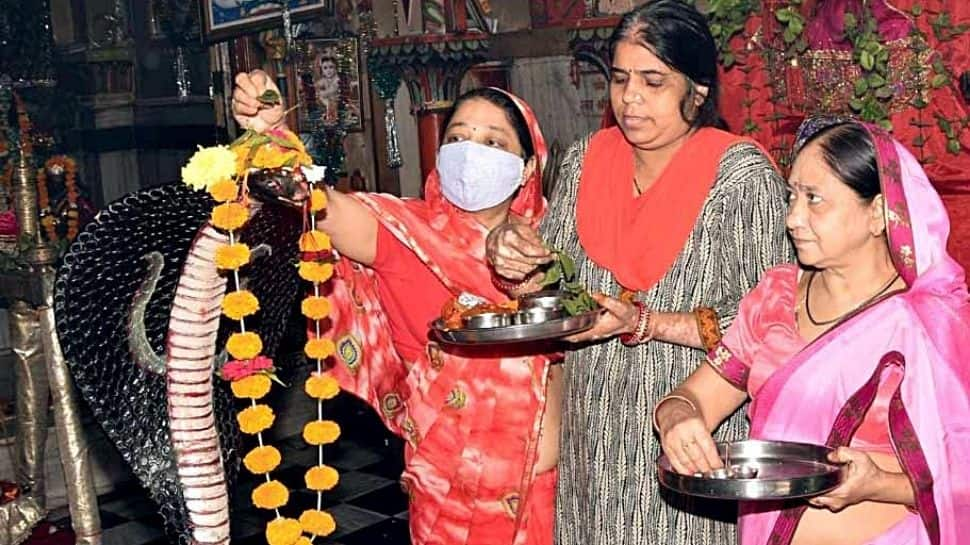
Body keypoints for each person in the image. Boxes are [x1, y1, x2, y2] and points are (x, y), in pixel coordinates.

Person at [486, 2, 793, 544]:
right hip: (594, 440)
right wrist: (516, 260)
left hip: (690, 436)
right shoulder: (586, 160)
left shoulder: (740, 176)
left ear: (696, 92)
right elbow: (553, 290)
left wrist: (646, 323)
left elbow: (769, 325)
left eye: (653, 81)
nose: (629, 99)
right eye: (622, 79)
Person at [233, 70, 560, 545]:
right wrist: (273, 137)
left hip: (551, 495)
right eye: (457, 138)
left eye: (493, 142)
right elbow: (319, 205)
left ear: (528, 167)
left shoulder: (559, 242)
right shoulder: (406, 235)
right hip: (448, 495)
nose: (471, 152)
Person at [655, 117, 970, 545]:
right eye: (792, 197)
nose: (793, 218)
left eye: (814, 199)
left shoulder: (927, 321)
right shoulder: (776, 296)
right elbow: (691, 398)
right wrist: (678, 420)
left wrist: (878, 482)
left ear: (877, 213)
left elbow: (961, 464)